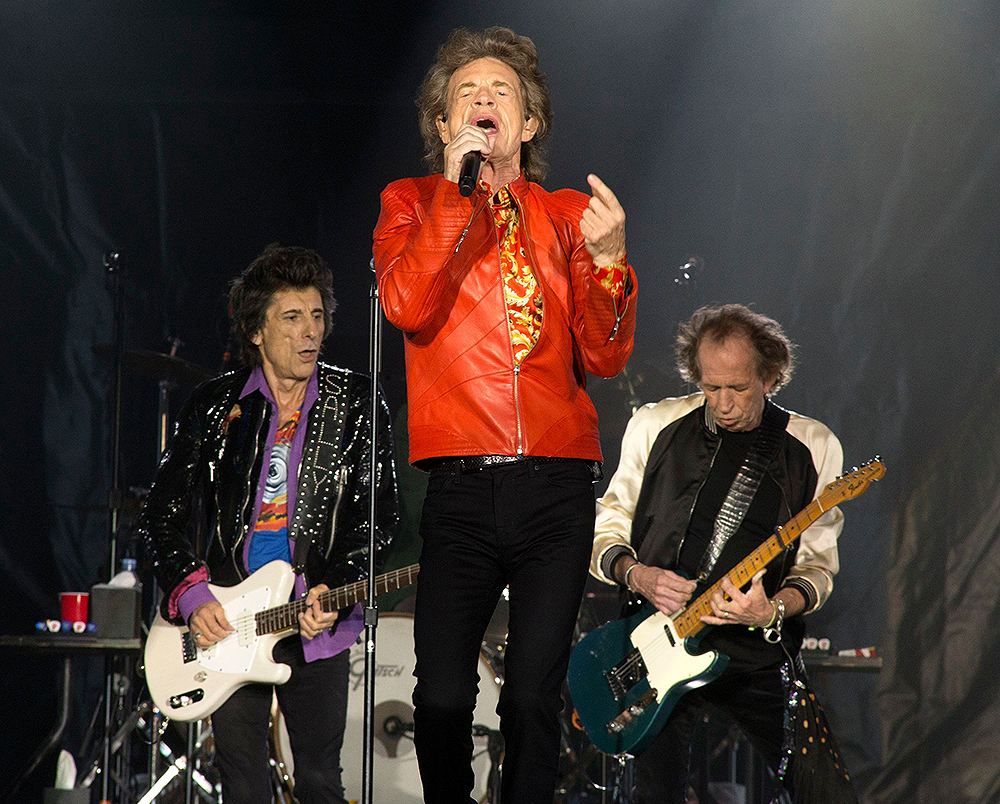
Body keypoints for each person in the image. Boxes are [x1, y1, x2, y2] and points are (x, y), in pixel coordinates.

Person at [372, 25, 637, 804]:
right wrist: (456, 199)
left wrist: (613, 264)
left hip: (556, 486)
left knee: (529, 696)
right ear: (444, 126)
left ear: (529, 123)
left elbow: (608, 354)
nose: (485, 100)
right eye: (466, 94)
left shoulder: (565, 216)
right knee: (445, 698)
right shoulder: (410, 203)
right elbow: (406, 303)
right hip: (459, 486)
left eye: (502, 93)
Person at [137, 244, 398, 804]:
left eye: (318, 317)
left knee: (322, 781)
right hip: (228, 623)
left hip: (315, 619)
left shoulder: (355, 402)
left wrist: (336, 586)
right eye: (292, 317)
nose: (310, 333)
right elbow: (161, 512)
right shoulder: (215, 405)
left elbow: (377, 518)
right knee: (244, 785)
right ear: (256, 329)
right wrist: (192, 594)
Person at [591, 304, 858, 804]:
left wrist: (773, 608)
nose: (723, 404)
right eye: (711, 388)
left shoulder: (813, 444)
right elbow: (604, 530)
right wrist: (638, 575)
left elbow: (817, 571)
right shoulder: (654, 425)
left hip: (755, 651)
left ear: (771, 376)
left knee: (827, 792)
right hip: (657, 646)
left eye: (738, 388)